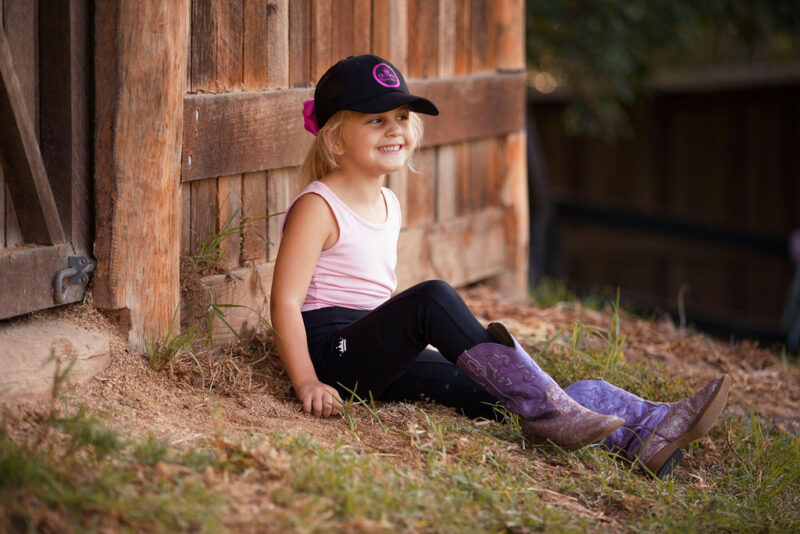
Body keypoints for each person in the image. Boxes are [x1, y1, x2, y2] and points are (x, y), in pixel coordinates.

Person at [269, 54, 731, 478]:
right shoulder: (318, 205)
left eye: (402, 117)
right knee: (431, 298)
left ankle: (643, 431)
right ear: (334, 136)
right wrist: (307, 380)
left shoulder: (389, 201)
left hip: (372, 350)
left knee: (497, 392)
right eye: (376, 119)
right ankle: (558, 412)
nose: (395, 130)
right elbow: (286, 300)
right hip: (335, 355)